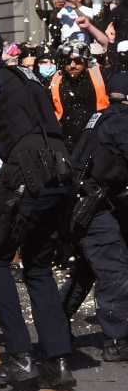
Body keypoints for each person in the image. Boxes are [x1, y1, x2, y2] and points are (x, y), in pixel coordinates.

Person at [0, 25, 77, 389]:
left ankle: (19, 357)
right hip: (62, 175)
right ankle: (58, 362)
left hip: (28, 177)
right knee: (38, 265)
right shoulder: (27, 77)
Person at [66, 72, 128, 362]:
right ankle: (117, 342)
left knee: (86, 271)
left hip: (78, 204)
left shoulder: (100, 117)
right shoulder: (121, 122)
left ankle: (54, 325)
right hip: (92, 205)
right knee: (114, 270)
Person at [50, 40, 109, 151]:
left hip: (98, 141)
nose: (73, 65)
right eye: (68, 61)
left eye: (77, 61)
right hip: (68, 144)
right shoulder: (56, 79)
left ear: (86, 60)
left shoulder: (100, 75)